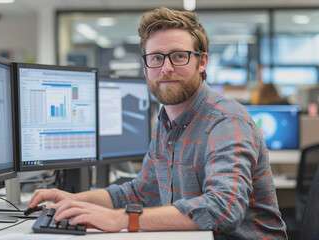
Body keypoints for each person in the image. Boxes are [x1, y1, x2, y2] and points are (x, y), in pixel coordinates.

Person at [29, 7, 287, 239]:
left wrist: (120, 219)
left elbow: (223, 209)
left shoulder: (226, 121)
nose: (166, 68)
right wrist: (75, 201)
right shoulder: (165, 121)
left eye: (178, 56)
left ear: (202, 62)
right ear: (145, 67)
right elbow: (141, 192)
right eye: (156, 58)